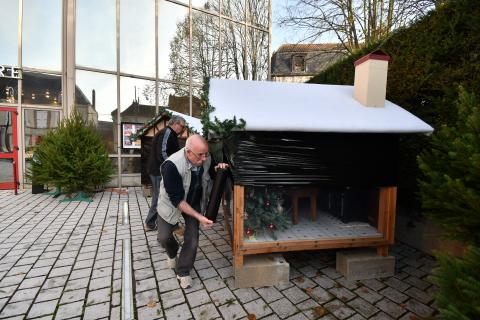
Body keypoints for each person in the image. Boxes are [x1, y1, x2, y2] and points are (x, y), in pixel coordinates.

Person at [157, 134, 228, 288]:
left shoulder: (205, 157)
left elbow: (212, 173)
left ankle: (183, 271)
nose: (204, 158)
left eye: (206, 154)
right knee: (163, 237)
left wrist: (218, 168)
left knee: (192, 237)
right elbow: (178, 201)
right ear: (188, 152)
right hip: (171, 202)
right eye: (200, 155)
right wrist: (200, 217)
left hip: (194, 199)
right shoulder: (171, 166)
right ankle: (172, 251)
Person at [144, 115, 186, 231]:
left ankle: (164, 222)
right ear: (175, 124)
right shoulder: (167, 132)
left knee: (164, 197)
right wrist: (171, 166)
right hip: (159, 171)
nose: (182, 129)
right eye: (181, 126)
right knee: (159, 198)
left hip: (160, 170)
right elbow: (162, 153)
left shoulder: (170, 133)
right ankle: (150, 223)